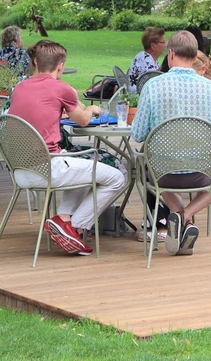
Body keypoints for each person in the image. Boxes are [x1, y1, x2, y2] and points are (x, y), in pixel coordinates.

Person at [9, 40, 127, 255]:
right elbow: (82, 120)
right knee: (117, 178)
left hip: (21, 169)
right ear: (61, 65)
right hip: (48, 167)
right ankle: (75, 226)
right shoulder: (61, 88)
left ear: (35, 61)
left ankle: (63, 220)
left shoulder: (19, 87)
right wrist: (91, 108)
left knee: (83, 171)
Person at [132, 30, 211, 256]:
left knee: (150, 169)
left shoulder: (153, 86)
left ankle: (180, 215)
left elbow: (137, 133)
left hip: (162, 173)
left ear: (171, 54)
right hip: (202, 171)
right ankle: (185, 217)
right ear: (195, 55)